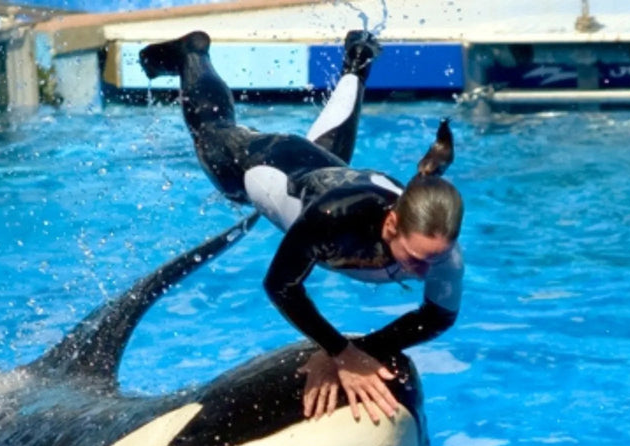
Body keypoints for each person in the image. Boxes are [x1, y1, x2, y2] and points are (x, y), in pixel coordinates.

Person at [140, 30, 464, 424]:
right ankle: (192, 55)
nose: (426, 272)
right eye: (415, 260)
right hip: (271, 165)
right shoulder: (333, 220)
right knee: (214, 131)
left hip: (330, 175)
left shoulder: (440, 249)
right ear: (393, 223)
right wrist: (340, 353)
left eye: (435, 260)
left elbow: (437, 316)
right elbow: (280, 285)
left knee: (332, 158)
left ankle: (358, 59)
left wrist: (363, 350)